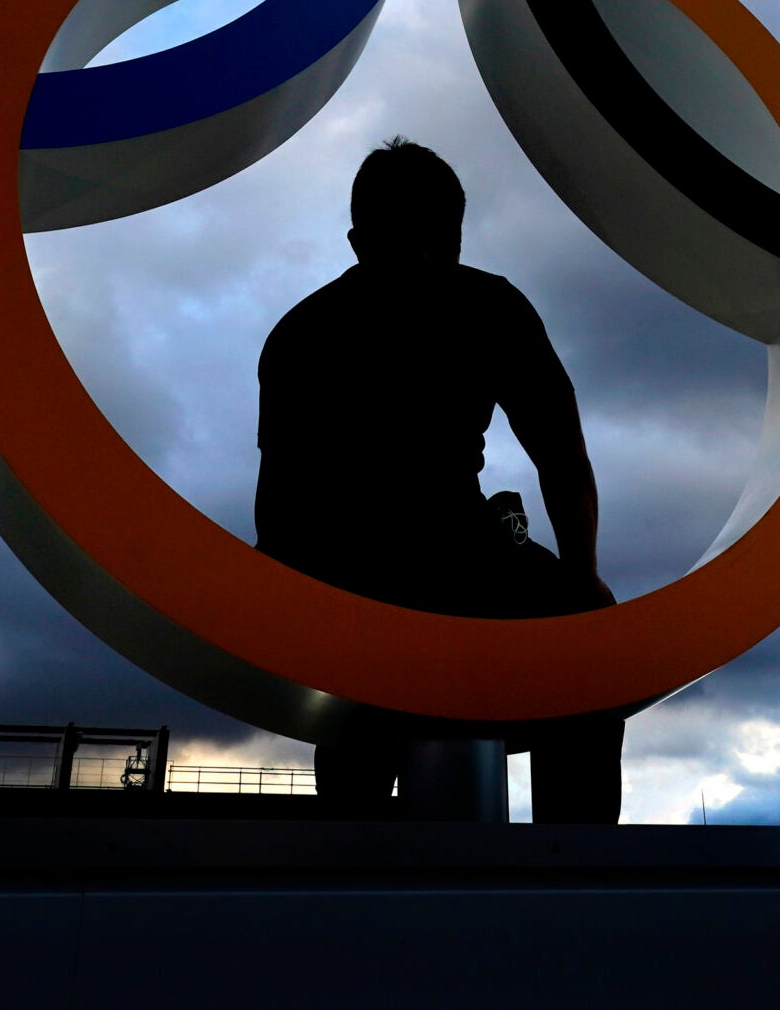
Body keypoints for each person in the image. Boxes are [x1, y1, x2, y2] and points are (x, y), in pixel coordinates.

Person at [255, 138, 625, 822]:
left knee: (590, 657)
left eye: (440, 242)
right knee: (582, 660)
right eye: (408, 242)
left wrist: (581, 581)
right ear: (361, 242)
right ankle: (577, 878)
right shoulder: (311, 335)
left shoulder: (306, 331)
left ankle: (574, 875)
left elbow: (562, 455)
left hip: (418, 561)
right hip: (363, 574)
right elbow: (280, 511)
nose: (426, 258)